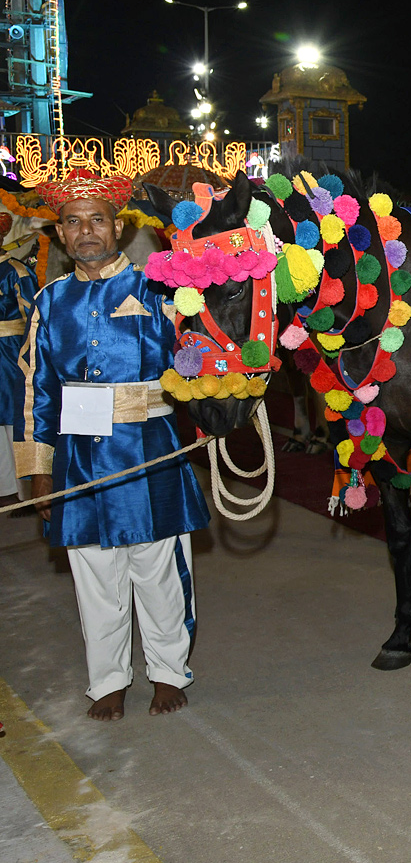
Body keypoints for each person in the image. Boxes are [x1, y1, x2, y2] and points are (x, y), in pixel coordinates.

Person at [15, 169, 210, 721]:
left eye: (96, 220)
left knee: (158, 571)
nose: (86, 232)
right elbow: (37, 391)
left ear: (118, 228)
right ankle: (108, 680)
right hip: (80, 460)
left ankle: (169, 671)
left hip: (151, 451)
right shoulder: (50, 302)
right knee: (94, 576)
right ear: (59, 235)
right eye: (72, 223)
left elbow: (195, 357)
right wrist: (39, 469)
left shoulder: (160, 288)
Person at [0, 235, 37, 512]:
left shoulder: (16, 270)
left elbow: (33, 315)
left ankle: (24, 491)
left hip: (10, 352)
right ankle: (4, 487)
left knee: (16, 415)